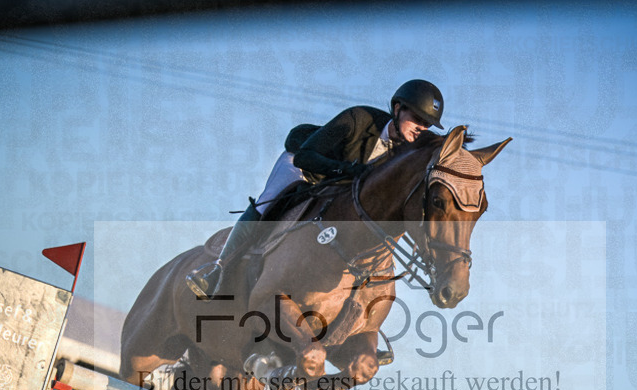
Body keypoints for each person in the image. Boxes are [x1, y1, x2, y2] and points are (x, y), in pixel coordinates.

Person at [186, 79, 445, 299]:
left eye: (428, 124)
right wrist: (347, 170)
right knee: (269, 201)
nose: (422, 127)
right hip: (305, 166)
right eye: (417, 119)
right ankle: (217, 270)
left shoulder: (404, 155)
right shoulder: (359, 119)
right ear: (398, 109)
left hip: (338, 191)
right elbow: (305, 157)